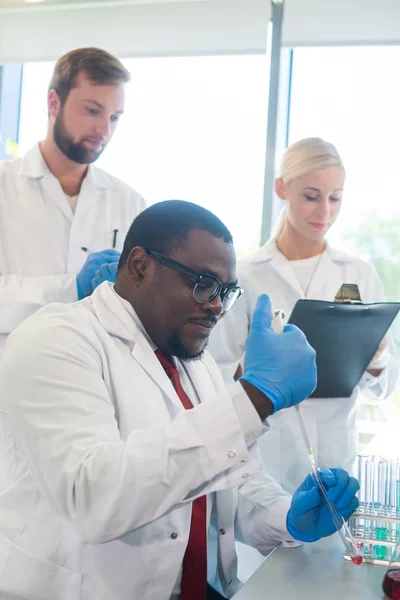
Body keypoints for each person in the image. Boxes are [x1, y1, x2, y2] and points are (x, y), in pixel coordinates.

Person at [0, 200, 359, 600]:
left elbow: (225, 484)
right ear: (140, 266)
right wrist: (254, 397)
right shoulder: (55, 339)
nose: (217, 306)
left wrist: (287, 516)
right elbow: (93, 497)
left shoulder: (192, 359)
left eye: (227, 291)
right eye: (204, 283)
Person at [209, 137, 398, 495]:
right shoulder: (247, 276)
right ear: (282, 188)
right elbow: (214, 374)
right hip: (265, 464)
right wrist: (255, 369)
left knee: (331, 540)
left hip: (336, 459)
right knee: (268, 540)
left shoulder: (360, 274)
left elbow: (384, 388)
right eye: (311, 196)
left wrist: (376, 358)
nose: (324, 211)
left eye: (335, 197)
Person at [0, 47, 146, 360]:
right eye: (92, 111)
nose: (104, 130)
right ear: (54, 103)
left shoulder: (130, 203)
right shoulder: (4, 187)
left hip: (94, 382)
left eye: (114, 117)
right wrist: (71, 289)